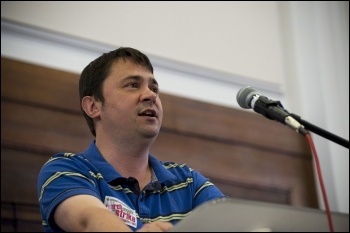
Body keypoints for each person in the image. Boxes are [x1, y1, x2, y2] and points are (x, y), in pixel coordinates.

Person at [37, 47, 226, 232]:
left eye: (154, 88)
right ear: (94, 106)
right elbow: (90, 219)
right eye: (133, 85)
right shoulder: (65, 170)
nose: (151, 95)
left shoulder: (189, 182)